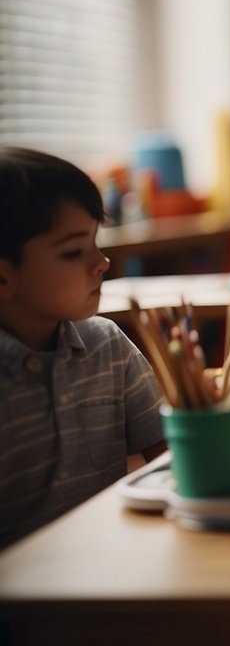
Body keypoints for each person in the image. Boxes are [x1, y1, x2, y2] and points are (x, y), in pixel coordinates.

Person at [0, 147, 165, 550]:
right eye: (74, 252)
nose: (103, 262)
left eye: (96, 241)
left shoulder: (107, 345)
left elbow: (169, 458)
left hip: (118, 567)